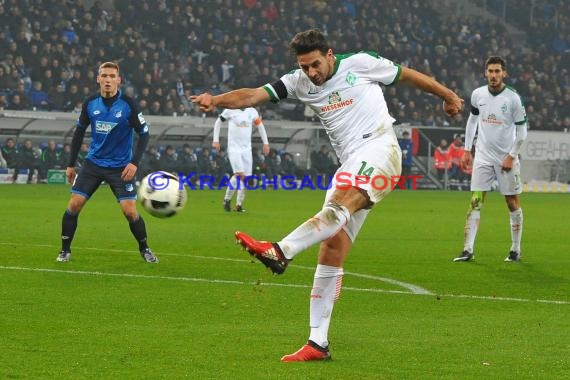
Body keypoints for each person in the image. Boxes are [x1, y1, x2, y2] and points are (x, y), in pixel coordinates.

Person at [192, 29, 463, 362]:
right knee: (331, 246)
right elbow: (251, 96)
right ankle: (317, 342)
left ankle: (282, 250)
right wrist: (216, 100)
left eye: (315, 65)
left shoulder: (361, 63)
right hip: (350, 163)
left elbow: (407, 76)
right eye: (305, 67)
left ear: (330, 54)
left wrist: (447, 95)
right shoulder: (298, 81)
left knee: (338, 208)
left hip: (380, 148)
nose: (311, 73)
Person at [56, 61, 157, 264]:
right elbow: (78, 133)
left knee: (129, 211)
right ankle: (65, 250)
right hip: (93, 164)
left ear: (118, 80)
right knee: (74, 205)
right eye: (104, 76)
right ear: (98, 79)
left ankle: (145, 248)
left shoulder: (129, 104)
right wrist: (70, 164)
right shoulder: (90, 103)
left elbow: (144, 134)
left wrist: (134, 163)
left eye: (112, 76)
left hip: (121, 167)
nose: (108, 80)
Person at [454, 56, 527, 263]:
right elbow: (472, 121)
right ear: (485, 73)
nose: (494, 75)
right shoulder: (478, 94)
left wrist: (511, 156)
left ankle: (515, 249)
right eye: (490, 71)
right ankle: (467, 249)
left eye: (497, 71)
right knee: (476, 200)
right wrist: (467, 150)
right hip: (483, 156)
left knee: (511, 201)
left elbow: (522, 131)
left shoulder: (513, 98)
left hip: (506, 158)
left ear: (504, 73)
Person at [212, 107, 269, 212]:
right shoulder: (230, 110)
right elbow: (218, 122)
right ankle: (227, 199)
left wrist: (266, 143)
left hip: (247, 150)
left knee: (245, 179)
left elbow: (260, 126)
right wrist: (215, 140)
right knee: (240, 175)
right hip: (234, 149)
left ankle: (238, 205)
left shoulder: (252, 111)